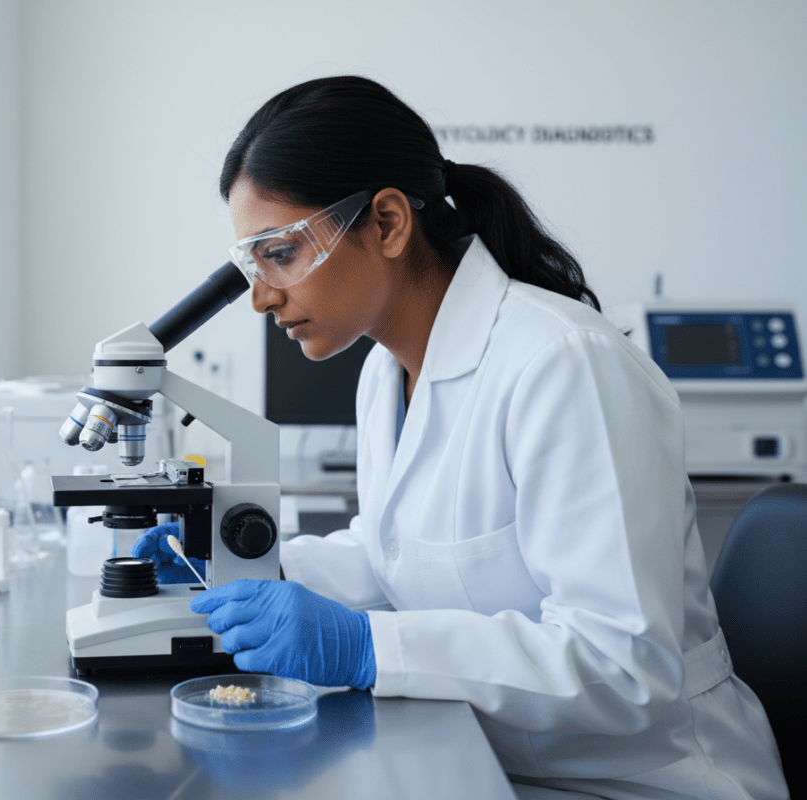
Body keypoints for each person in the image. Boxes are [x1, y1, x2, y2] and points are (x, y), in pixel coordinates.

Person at [133, 76, 788, 799]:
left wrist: (363, 647)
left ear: (385, 223)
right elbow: (398, 553)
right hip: (490, 758)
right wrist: (243, 567)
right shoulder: (385, 374)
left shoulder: (563, 365)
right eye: (249, 263)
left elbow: (624, 663)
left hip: (636, 780)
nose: (260, 296)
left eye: (278, 253)